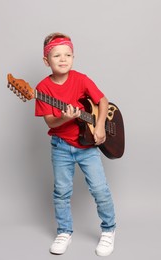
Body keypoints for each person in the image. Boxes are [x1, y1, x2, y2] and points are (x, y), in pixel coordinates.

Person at [34, 32, 117, 257]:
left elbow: (102, 101)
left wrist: (99, 127)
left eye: (68, 54)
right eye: (57, 55)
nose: (63, 59)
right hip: (61, 147)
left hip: (88, 148)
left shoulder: (80, 79)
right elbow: (51, 122)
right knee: (61, 192)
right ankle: (64, 232)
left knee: (100, 189)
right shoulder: (43, 89)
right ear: (46, 61)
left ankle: (108, 231)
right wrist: (67, 117)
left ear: (73, 56)